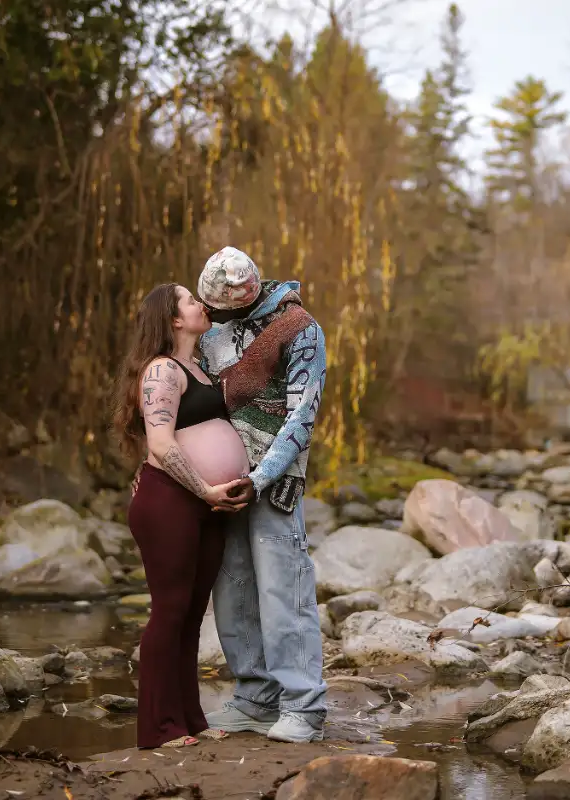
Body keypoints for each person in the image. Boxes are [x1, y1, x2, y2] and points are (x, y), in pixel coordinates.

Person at [197, 246, 328, 743]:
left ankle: (304, 705)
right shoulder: (210, 333)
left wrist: (260, 477)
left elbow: (302, 416)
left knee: (283, 592)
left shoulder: (300, 329)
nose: (214, 314)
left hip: (275, 486)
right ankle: (254, 698)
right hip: (220, 485)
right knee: (232, 591)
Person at [113, 282, 251, 749]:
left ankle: (190, 719)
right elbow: (160, 442)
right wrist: (205, 488)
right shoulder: (162, 371)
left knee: (191, 615)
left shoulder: (198, 367)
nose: (200, 304)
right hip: (171, 501)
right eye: (191, 300)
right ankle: (158, 729)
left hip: (203, 505)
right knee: (169, 612)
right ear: (174, 319)